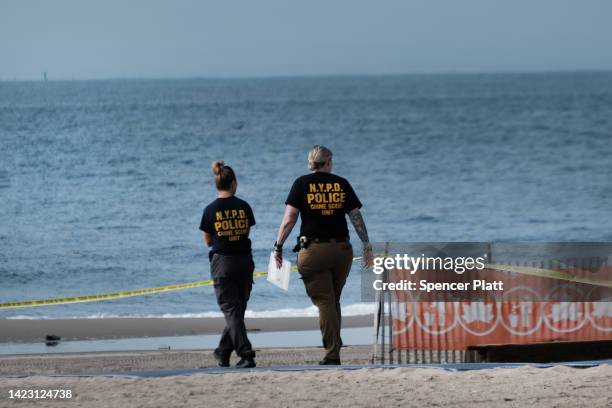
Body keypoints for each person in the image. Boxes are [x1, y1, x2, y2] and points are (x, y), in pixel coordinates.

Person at [274, 145, 373, 365]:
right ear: (327, 162)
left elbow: (289, 219)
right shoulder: (341, 183)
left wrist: (278, 245)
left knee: (325, 301)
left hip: (314, 252)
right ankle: (335, 343)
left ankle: (332, 353)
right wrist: (366, 244)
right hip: (341, 251)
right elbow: (356, 217)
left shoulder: (301, 184)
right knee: (332, 299)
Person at [199, 161, 256, 368]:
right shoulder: (244, 206)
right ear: (234, 183)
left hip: (222, 263)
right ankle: (222, 352)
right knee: (237, 310)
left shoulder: (209, 210)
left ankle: (246, 353)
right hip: (244, 261)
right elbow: (246, 232)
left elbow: (208, 242)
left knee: (232, 310)